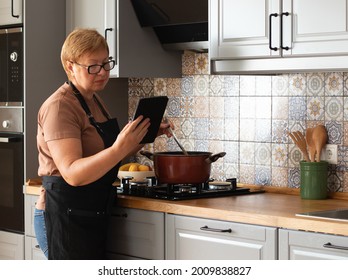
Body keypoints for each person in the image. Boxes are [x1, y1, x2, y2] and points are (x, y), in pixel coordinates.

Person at [34, 28, 171, 260]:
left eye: (106, 63)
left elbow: (108, 157)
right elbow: (73, 174)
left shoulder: (94, 100)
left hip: (89, 213)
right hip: (63, 217)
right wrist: (119, 147)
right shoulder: (60, 107)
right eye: (93, 66)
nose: (102, 72)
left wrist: (144, 135)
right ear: (70, 67)